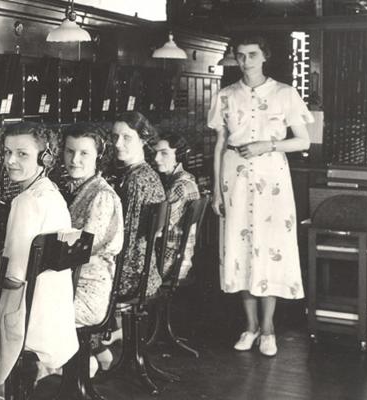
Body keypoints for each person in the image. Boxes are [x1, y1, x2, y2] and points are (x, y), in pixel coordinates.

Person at [208, 35, 312, 357]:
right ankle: (250, 326)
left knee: (269, 250)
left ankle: (268, 329)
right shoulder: (225, 95)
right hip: (234, 179)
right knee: (240, 251)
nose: (245, 61)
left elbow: (303, 141)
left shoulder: (285, 93)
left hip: (272, 180)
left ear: (264, 56)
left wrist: (268, 145)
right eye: (240, 55)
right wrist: (215, 188)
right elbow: (220, 144)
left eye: (252, 54)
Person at [0, 122, 76, 399]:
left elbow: (14, 277)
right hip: (51, 313)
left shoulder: (25, 202)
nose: (10, 161)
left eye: (21, 154)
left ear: (45, 157)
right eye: (7, 152)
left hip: (26, 317)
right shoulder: (52, 193)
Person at [61, 122, 124, 372]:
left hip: (88, 291)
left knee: (25, 309)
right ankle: (81, 361)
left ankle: (67, 366)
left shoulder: (101, 196)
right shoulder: (77, 189)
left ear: (99, 155)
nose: (75, 160)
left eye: (84, 153)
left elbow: (81, 250)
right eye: (69, 151)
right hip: (72, 284)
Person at [111, 111, 167, 300]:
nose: (118, 143)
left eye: (126, 137)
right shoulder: (145, 173)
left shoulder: (136, 180)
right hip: (146, 272)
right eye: (115, 137)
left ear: (143, 139)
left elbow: (127, 237)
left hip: (131, 278)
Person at [152, 133, 200, 282]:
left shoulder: (180, 186)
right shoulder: (186, 179)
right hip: (176, 256)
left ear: (178, 155)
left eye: (164, 153)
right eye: (155, 153)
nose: (156, 159)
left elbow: (160, 227)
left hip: (169, 261)